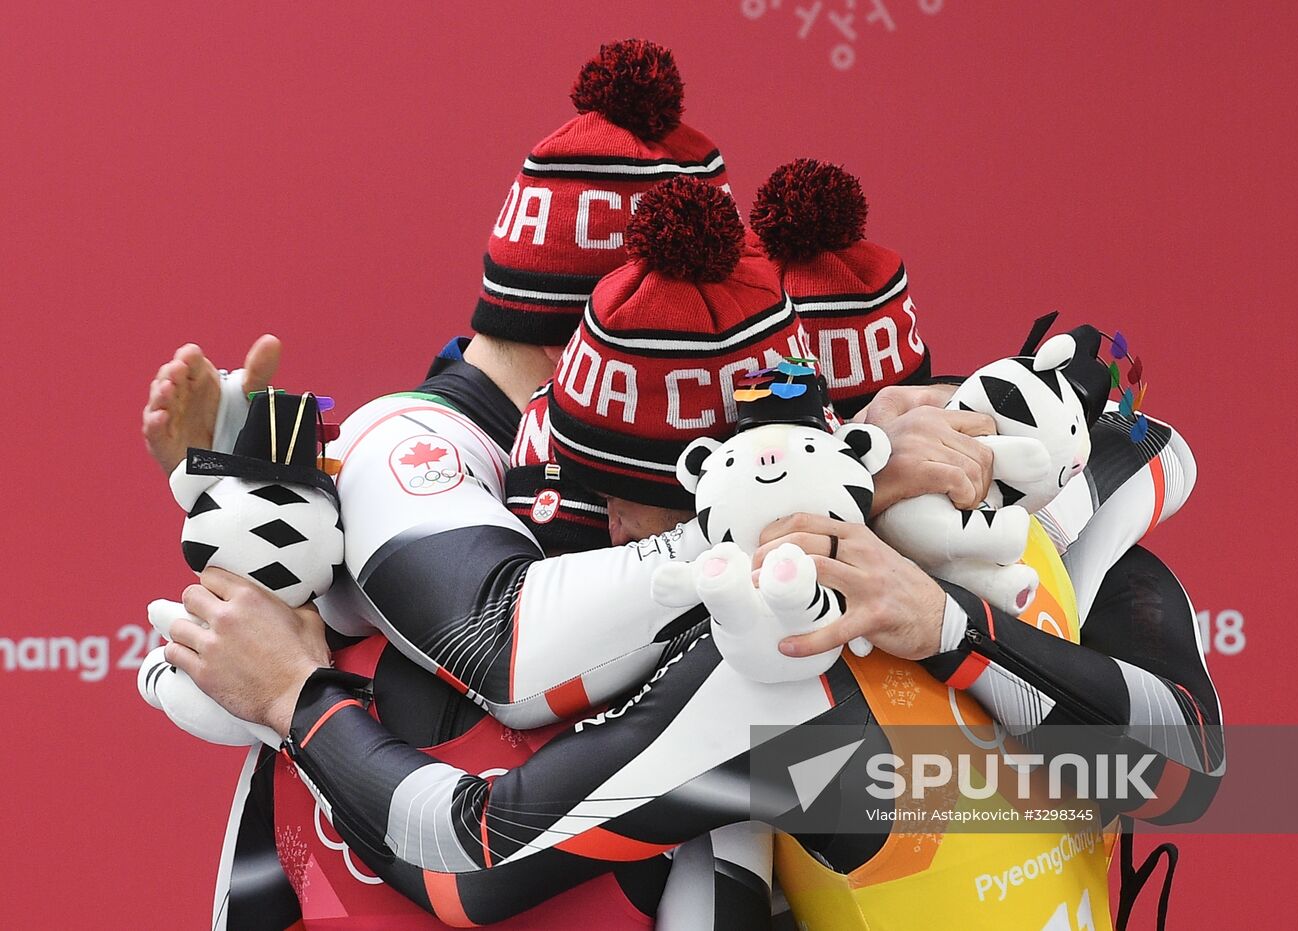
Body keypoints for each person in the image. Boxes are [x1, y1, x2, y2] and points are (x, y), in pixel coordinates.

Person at [160, 178, 1220, 929]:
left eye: (616, 499)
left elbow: (468, 854)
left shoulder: (775, 676)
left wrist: (295, 697)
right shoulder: (1029, 518)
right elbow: (1185, 773)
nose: (607, 529)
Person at [140, 50, 1001, 927]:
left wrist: (829, 493)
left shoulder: (792, 598)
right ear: (594, 329)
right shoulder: (409, 441)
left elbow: (1111, 750)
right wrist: (801, 501)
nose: (616, 520)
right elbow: (504, 652)